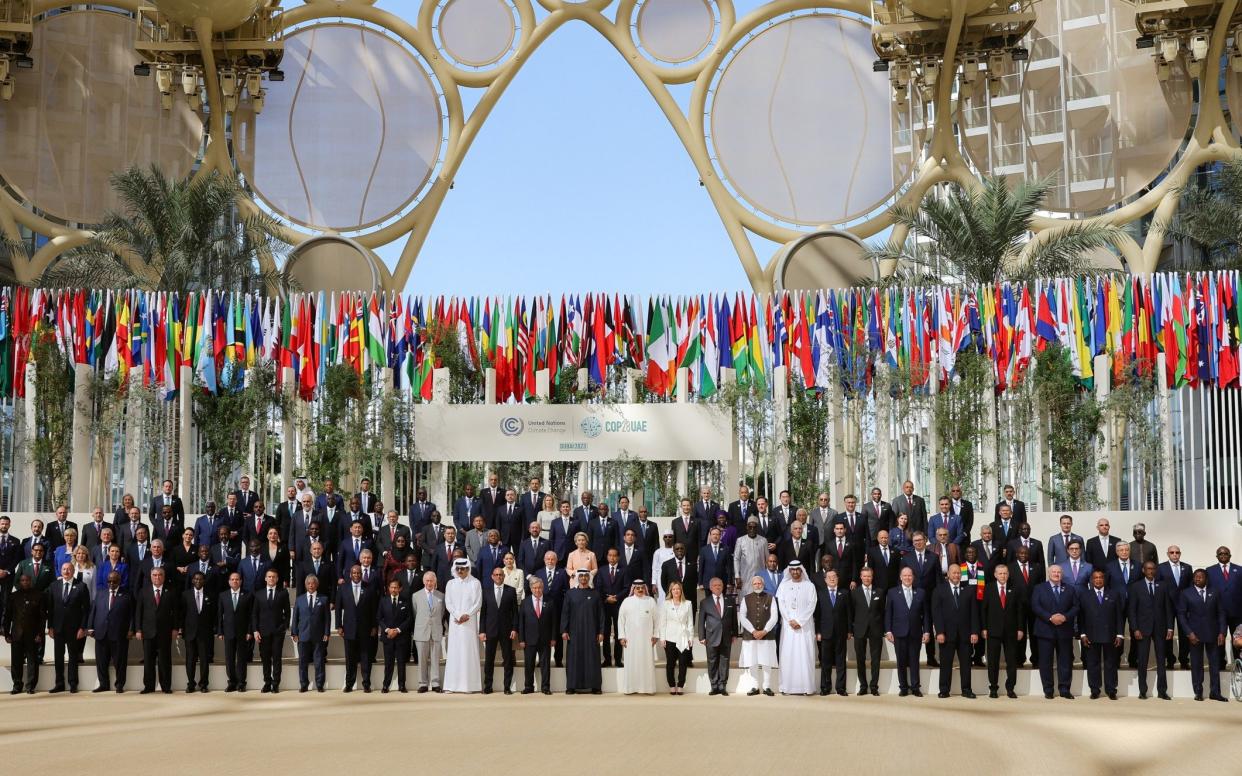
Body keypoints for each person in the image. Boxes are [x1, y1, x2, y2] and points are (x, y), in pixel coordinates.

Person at [1177, 568, 1228, 701]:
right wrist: (1189, 633)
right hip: (1195, 635)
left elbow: (1221, 613)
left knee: (1215, 664)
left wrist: (1222, 632)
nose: (1198, 578)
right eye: (1196, 576)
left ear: (1206, 579)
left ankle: (1215, 692)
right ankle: (1198, 691)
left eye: (1201, 576)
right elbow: (1181, 615)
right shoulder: (1186, 593)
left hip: (1213, 633)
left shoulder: (1215, 592)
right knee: (1197, 664)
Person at [1030, 564, 1079, 699]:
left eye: (1058, 572)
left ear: (1062, 575)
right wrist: (1050, 617)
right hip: (1045, 630)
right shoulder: (1039, 588)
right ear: (1048, 573)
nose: (1056, 574)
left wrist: (1065, 617)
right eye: (1053, 572)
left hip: (1064, 630)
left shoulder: (1070, 589)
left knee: (1065, 661)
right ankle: (1048, 689)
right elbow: (1035, 606)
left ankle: (1064, 689)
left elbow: (1076, 606)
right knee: (1045, 662)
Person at [931, 563, 979, 698]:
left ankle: (967, 689)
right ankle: (944, 690)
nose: (957, 575)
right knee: (945, 663)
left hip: (965, 634)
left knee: (966, 664)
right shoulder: (939, 590)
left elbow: (974, 613)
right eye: (954, 573)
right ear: (948, 575)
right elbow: (936, 613)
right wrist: (939, 632)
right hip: (946, 634)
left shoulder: (969, 590)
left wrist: (974, 631)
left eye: (958, 573)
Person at [1128, 560, 1173, 700]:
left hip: (1160, 628)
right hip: (1142, 629)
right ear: (1143, 570)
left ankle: (1162, 691)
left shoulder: (1163, 586)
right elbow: (1132, 610)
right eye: (1148, 569)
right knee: (1142, 660)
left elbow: (1168, 609)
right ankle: (1143, 691)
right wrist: (1135, 628)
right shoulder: (1136, 587)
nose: (1151, 571)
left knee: (1161, 660)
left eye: (1153, 569)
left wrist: (1170, 627)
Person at [980, 564, 1024, 698]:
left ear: (1008, 574)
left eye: (1005, 573)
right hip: (993, 631)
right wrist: (984, 628)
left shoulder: (1015, 588)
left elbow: (1020, 611)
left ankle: (1010, 688)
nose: (1003, 576)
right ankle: (993, 687)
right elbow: (983, 610)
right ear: (995, 574)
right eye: (1000, 573)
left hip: (1011, 631)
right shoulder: (988, 588)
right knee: (993, 661)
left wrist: (1021, 629)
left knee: (1011, 661)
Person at [886, 566, 930, 696]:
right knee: (901, 661)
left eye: (910, 575)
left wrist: (927, 631)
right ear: (900, 577)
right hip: (899, 633)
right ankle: (903, 687)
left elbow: (926, 614)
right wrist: (888, 630)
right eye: (904, 575)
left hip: (916, 633)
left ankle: (915, 687)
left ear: (913, 577)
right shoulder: (892, 592)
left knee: (914, 661)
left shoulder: (921, 592)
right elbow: (888, 613)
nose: (907, 578)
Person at [46, 561, 88, 694]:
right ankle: (59, 684)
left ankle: (73, 683)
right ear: (61, 570)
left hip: (74, 629)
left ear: (73, 571)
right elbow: (50, 608)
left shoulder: (81, 586)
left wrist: (83, 628)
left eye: (69, 569)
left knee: (73, 656)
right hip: (57, 628)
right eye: (64, 569)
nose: (66, 571)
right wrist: (50, 627)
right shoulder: (54, 586)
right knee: (58, 657)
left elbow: (86, 609)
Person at [561, 568, 605, 694]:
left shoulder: (596, 594)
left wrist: (601, 632)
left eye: (586, 576)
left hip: (592, 632)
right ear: (577, 578)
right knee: (573, 658)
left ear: (589, 578)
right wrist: (564, 630)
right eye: (581, 576)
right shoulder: (570, 594)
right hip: (574, 633)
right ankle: (571, 686)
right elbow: (565, 613)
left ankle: (595, 686)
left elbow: (601, 615)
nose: (584, 578)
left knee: (593, 658)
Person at [776, 561, 817, 695]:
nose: (795, 572)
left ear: (801, 571)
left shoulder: (809, 586)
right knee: (788, 655)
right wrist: (790, 620)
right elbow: (781, 605)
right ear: (789, 571)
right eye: (792, 570)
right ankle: (787, 687)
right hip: (789, 628)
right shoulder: (783, 586)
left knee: (805, 656)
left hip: (805, 627)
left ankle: (807, 687)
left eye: (797, 570)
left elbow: (812, 605)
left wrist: (800, 621)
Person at [135, 567, 178, 694]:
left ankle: (166, 686)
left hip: (165, 632)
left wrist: (175, 628)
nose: (157, 577)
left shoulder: (171, 591)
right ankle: (149, 686)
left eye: (160, 575)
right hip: (148, 631)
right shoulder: (144, 591)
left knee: (165, 660)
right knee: (148, 660)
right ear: (151, 576)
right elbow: (139, 612)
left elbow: (176, 612)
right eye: (154, 575)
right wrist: (138, 629)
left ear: (164, 577)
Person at [87, 571, 132, 693]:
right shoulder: (100, 593)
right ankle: (103, 684)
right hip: (101, 632)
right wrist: (90, 627)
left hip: (119, 634)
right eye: (109, 581)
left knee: (120, 662)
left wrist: (131, 629)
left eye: (114, 581)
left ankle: (119, 685)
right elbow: (94, 611)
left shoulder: (127, 595)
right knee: (101, 661)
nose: (111, 583)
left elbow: (131, 614)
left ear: (120, 581)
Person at [444, 558, 483, 693]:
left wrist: (467, 615)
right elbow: (448, 603)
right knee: (454, 652)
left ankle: (469, 686)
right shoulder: (450, 583)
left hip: (470, 623)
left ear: (468, 569)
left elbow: (478, 602)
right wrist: (457, 615)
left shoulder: (475, 583)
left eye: (463, 568)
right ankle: (451, 685)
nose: (460, 571)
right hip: (455, 623)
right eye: (458, 569)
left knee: (468, 652)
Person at [480, 565, 518, 694]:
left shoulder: (511, 591)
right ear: (492, 576)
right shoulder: (486, 591)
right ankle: (488, 686)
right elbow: (483, 613)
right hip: (490, 630)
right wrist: (482, 631)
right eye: (496, 575)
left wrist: (514, 628)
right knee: (489, 660)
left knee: (508, 660)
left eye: (500, 574)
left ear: (504, 576)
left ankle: (507, 687)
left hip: (506, 631)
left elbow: (515, 613)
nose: (498, 577)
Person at [252, 568, 290, 693]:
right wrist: (255, 630)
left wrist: (284, 626)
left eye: (274, 577)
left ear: (277, 579)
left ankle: (275, 683)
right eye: (269, 576)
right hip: (263, 632)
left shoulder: (283, 592)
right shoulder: (258, 594)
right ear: (265, 578)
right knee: (265, 658)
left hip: (278, 632)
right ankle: (267, 682)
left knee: (277, 658)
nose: (271, 579)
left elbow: (287, 612)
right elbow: (254, 614)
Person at [738, 575, 778, 696]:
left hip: (767, 635)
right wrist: (753, 631)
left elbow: (774, 617)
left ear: (763, 584)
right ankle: (754, 686)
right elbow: (742, 616)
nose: (757, 585)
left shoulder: (771, 598)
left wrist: (764, 631)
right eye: (755, 584)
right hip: (751, 636)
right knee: (752, 660)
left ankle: (767, 686)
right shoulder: (746, 599)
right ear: (752, 585)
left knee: (767, 661)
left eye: (759, 583)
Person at [4, 575, 44, 693]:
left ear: (30, 581)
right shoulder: (13, 596)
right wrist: (7, 633)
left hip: (32, 635)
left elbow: (42, 618)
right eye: (22, 580)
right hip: (16, 634)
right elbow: (7, 616)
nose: (25, 582)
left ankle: (30, 686)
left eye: (27, 580)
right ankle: (17, 685)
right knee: (16, 662)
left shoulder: (38, 595)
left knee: (32, 661)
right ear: (19, 582)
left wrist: (40, 634)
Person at [616, 579, 657, 694]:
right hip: (630, 639)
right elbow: (621, 621)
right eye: (637, 588)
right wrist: (622, 636)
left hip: (646, 639)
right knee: (631, 663)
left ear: (645, 588)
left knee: (646, 663)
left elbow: (657, 620)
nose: (640, 590)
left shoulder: (651, 601)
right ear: (633, 589)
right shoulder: (626, 601)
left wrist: (655, 635)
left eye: (642, 588)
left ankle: (647, 688)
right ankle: (630, 688)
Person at [292, 574, 330, 692]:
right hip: (303, 635)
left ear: (317, 585)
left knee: (319, 661)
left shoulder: (323, 599)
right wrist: (294, 633)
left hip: (318, 636)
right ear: (305, 585)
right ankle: (304, 684)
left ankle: (319, 684)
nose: (311, 585)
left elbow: (327, 618)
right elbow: (295, 618)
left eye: (313, 583)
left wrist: (326, 633)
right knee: (302, 662)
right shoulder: (299, 599)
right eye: (308, 583)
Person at [179, 571, 216, 693]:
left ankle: (204, 684)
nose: (198, 581)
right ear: (192, 581)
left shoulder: (211, 594)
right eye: (196, 579)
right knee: (190, 660)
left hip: (205, 634)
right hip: (189, 633)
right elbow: (182, 614)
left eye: (200, 579)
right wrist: (181, 629)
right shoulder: (185, 595)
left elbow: (213, 615)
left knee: (204, 660)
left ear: (204, 581)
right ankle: (191, 684)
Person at [697, 576, 735, 696]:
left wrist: (734, 634)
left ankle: (722, 685)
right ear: (711, 587)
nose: (718, 587)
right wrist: (702, 637)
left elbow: (734, 619)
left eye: (720, 585)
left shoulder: (730, 601)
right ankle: (714, 686)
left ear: (723, 587)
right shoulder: (705, 602)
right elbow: (701, 621)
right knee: (712, 661)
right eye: (715, 585)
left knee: (725, 661)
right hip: (711, 637)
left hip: (726, 636)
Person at [519, 576, 557, 694]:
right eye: (535, 588)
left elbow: (554, 621)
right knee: (529, 664)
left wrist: (553, 638)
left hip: (545, 639)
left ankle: (545, 687)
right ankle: (528, 687)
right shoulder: (525, 602)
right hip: (529, 639)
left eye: (540, 587)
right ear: (531, 589)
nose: (537, 590)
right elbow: (521, 622)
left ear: (543, 588)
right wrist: (521, 639)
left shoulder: (550, 601)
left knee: (545, 665)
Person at [1157, 545, 1193, 670]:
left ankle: (1184, 659)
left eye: (1177, 552)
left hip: (1183, 605)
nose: (1175, 554)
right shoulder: (1161, 568)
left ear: (1180, 553)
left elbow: (1190, 587)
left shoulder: (1187, 567)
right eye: (1172, 552)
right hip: (1167, 605)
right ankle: (1170, 660)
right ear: (1168, 554)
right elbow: (1158, 586)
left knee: (1184, 633)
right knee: (1168, 633)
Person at [815, 568, 850, 696]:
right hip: (825, 633)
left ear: (838, 578)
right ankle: (825, 687)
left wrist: (849, 631)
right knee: (825, 661)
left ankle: (840, 688)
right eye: (829, 577)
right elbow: (817, 615)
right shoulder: (820, 594)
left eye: (834, 576)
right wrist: (818, 631)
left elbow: (848, 614)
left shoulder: (844, 593)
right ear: (825, 580)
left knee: (841, 661)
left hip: (841, 633)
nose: (832, 579)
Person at [850, 566, 884, 695]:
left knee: (876, 659)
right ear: (860, 577)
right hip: (859, 629)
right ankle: (863, 686)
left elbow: (882, 612)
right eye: (864, 576)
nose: (867, 578)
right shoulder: (854, 593)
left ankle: (874, 686)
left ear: (872, 576)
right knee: (860, 659)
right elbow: (851, 612)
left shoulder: (879, 592)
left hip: (876, 629)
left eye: (869, 576)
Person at [217, 572, 254, 692]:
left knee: (242, 659)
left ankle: (241, 683)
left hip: (243, 633)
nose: (235, 581)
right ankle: (232, 682)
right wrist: (220, 631)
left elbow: (250, 615)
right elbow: (219, 615)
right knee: (229, 658)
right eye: (232, 579)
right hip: (228, 632)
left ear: (241, 581)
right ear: (228, 581)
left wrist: (249, 631)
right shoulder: (223, 595)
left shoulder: (247, 595)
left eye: (237, 579)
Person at [657, 580, 695, 694]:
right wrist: (662, 638)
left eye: (678, 589)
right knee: (670, 663)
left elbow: (690, 623)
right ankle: (672, 685)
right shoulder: (665, 604)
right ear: (670, 591)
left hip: (683, 637)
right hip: (669, 637)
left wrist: (691, 638)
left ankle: (681, 685)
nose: (676, 591)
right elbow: (662, 622)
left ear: (681, 590)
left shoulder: (688, 603)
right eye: (673, 589)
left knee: (683, 662)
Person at [410, 571, 445, 693]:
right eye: (427, 581)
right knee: (422, 659)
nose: (429, 583)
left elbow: (442, 614)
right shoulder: (416, 596)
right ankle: (423, 683)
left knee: (435, 659)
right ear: (424, 581)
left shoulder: (441, 596)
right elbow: (415, 613)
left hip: (436, 631)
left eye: (432, 581)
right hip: (421, 631)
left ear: (435, 581)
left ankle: (435, 683)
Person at [376, 579, 412, 693]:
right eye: (391, 587)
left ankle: (402, 685)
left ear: (400, 588)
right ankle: (386, 685)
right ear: (388, 588)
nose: (393, 589)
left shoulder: (406, 601)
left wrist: (397, 630)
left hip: (401, 637)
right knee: (388, 663)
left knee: (401, 663)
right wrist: (387, 630)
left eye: (396, 587)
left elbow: (409, 618)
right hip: (388, 637)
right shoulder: (383, 600)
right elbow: (379, 618)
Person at [598, 547, 628, 667]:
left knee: (618, 632)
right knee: (605, 633)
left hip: (619, 605)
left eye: (615, 555)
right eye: (610, 555)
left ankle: (618, 659)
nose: (612, 557)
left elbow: (626, 587)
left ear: (618, 557)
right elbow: (598, 587)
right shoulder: (602, 570)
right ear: (607, 557)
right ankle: (607, 659)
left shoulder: (624, 570)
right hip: (605, 605)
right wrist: (606, 598)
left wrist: (616, 597)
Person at [650, 529, 676, 602]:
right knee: (661, 600)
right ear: (663, 538)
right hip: (660, 579)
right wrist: (654, 583)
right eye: (666, 536)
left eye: (670, 537)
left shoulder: (676, 550)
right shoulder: (658, 552)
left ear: (673, 538)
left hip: (673, 579)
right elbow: (654, 568)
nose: (668, 538)